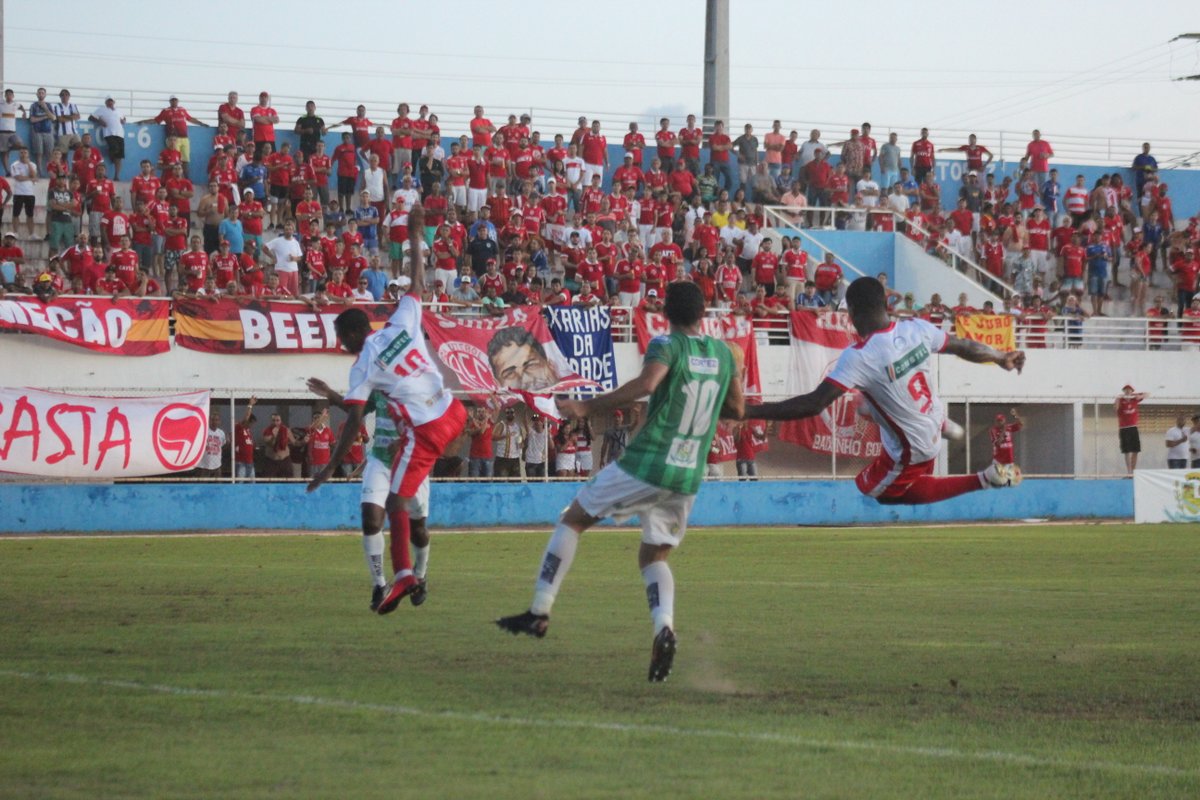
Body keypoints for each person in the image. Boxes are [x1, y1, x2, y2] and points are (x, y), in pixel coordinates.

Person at [497, 281, 745, 684]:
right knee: (653, 558)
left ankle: (539, 611)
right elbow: (736, 408)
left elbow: (647, 385)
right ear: (704, 313)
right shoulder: (722, 353)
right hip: (688, 474)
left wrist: (587, 405)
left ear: (665, 311)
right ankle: (663, 627)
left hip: (649, 461)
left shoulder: (666, 345)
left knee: (573, 519)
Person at [309, 203, 467, 615]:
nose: (340, 344)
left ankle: (410, 576)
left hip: (419, 440)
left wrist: (330, 468)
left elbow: (353, 418)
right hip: (443, 415)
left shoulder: (363, 366)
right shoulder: (400, 322)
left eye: (340, 337)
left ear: (350, 335)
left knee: (410, 517)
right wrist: (416, 235)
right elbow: (418, 282)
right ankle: (383, 583)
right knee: (373, 515)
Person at [747, 277, 1026, 505]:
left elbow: (815, 403)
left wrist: (751, 411)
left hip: (912, 447)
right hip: (929, 417)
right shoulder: (917, 327)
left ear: (852, 313)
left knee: (878, 491)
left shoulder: (860, 355)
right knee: (866, 403)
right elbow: (964, 346)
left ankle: (987, 477)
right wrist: (1001, 357)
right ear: (885, 304)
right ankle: (938, 421)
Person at [309, 379, 435, 610]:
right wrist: (330, 393)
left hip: (413, 463)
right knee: (370, 519)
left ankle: (420, 574)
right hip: (381, 461)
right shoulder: (379, 384)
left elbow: (435, 426)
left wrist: (405, 441)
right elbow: (355, 410)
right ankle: (380, 585)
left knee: (418, 529)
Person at [1114, 384, 1148, 474]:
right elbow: (1116, 408)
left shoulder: (1134, 400)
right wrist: (1118, 399)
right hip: (1124, 428)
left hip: (1133, 427)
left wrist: (1138, 395)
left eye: (1129, 390)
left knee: (1135, 450)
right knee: (1126, 451)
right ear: (1124, 391)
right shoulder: (1120, 400)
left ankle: (1133, 470)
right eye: (1126, 390)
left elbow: (1147, 394)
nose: (1128, 391)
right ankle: (1129, 471)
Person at [196, 410, 226, 478]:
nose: (214, 422)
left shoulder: (221, 433)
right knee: (203, 486)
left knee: (218, 487)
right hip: (204, 465)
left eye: (216, 420)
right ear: (209, 420)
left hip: (217, 465)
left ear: (219, 422)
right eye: (212, 420)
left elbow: (222, 444)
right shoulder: (204, 431)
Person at [234, 397, 257, 482]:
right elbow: (246, 417)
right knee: (240, 483)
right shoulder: (239, 427)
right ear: (249, 421)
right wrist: (250, 405)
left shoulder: (248, 431)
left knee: (252, 483)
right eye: (252, 423)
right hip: (241, 462)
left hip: (250, 461)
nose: (252, 425)